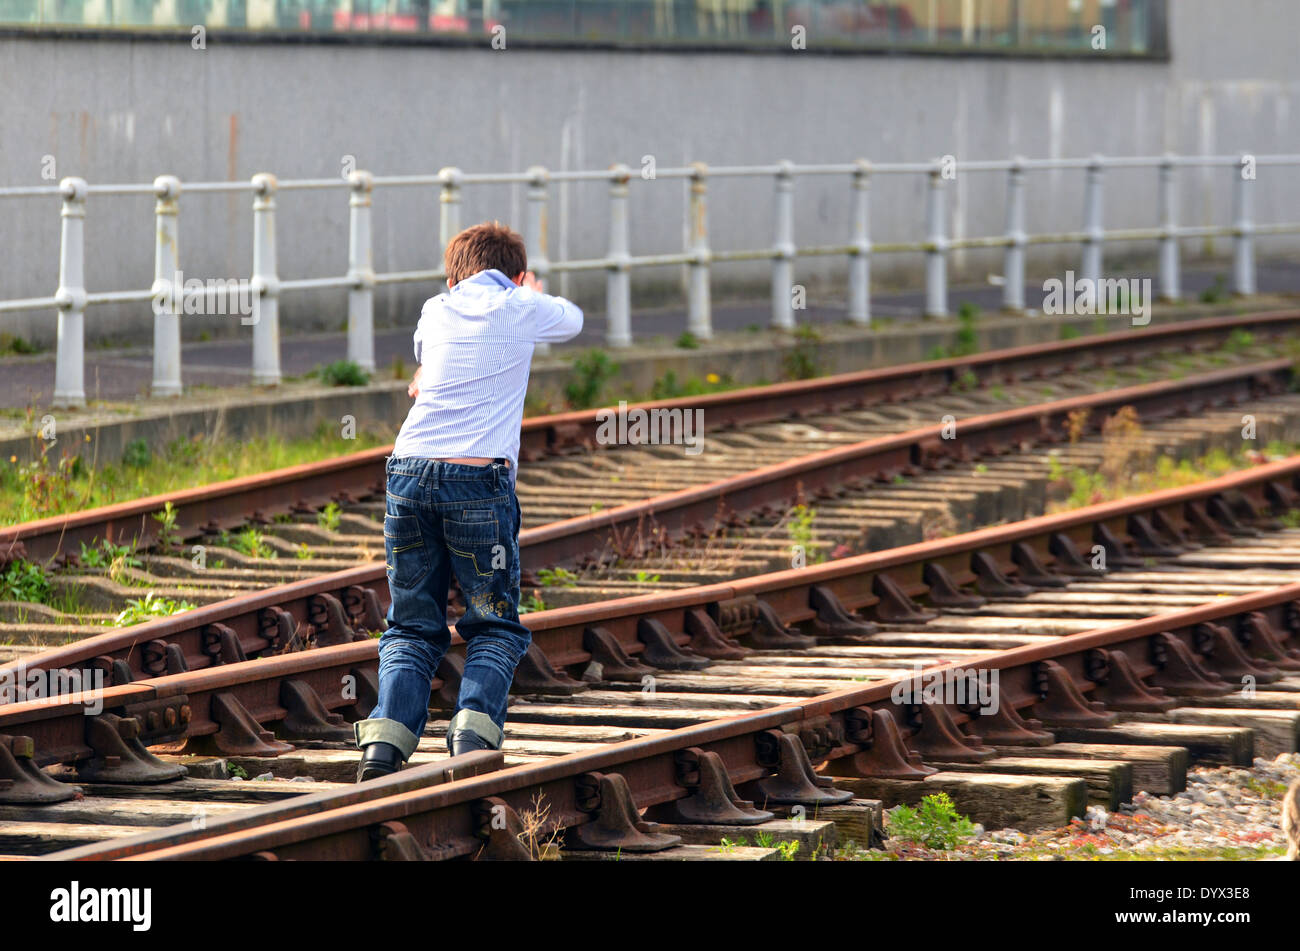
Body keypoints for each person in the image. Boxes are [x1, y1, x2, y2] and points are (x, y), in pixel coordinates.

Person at [354, 221, 583, 780]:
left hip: (407, 473)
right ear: (517, 276)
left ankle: (384, 749)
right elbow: (574, 319)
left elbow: (432, 367)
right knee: (494, 622)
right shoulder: (521, 305)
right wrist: (528, 292)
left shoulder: (435, 309)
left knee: (410, 625)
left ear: (452, 275)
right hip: (477, 481)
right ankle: (472, 740)